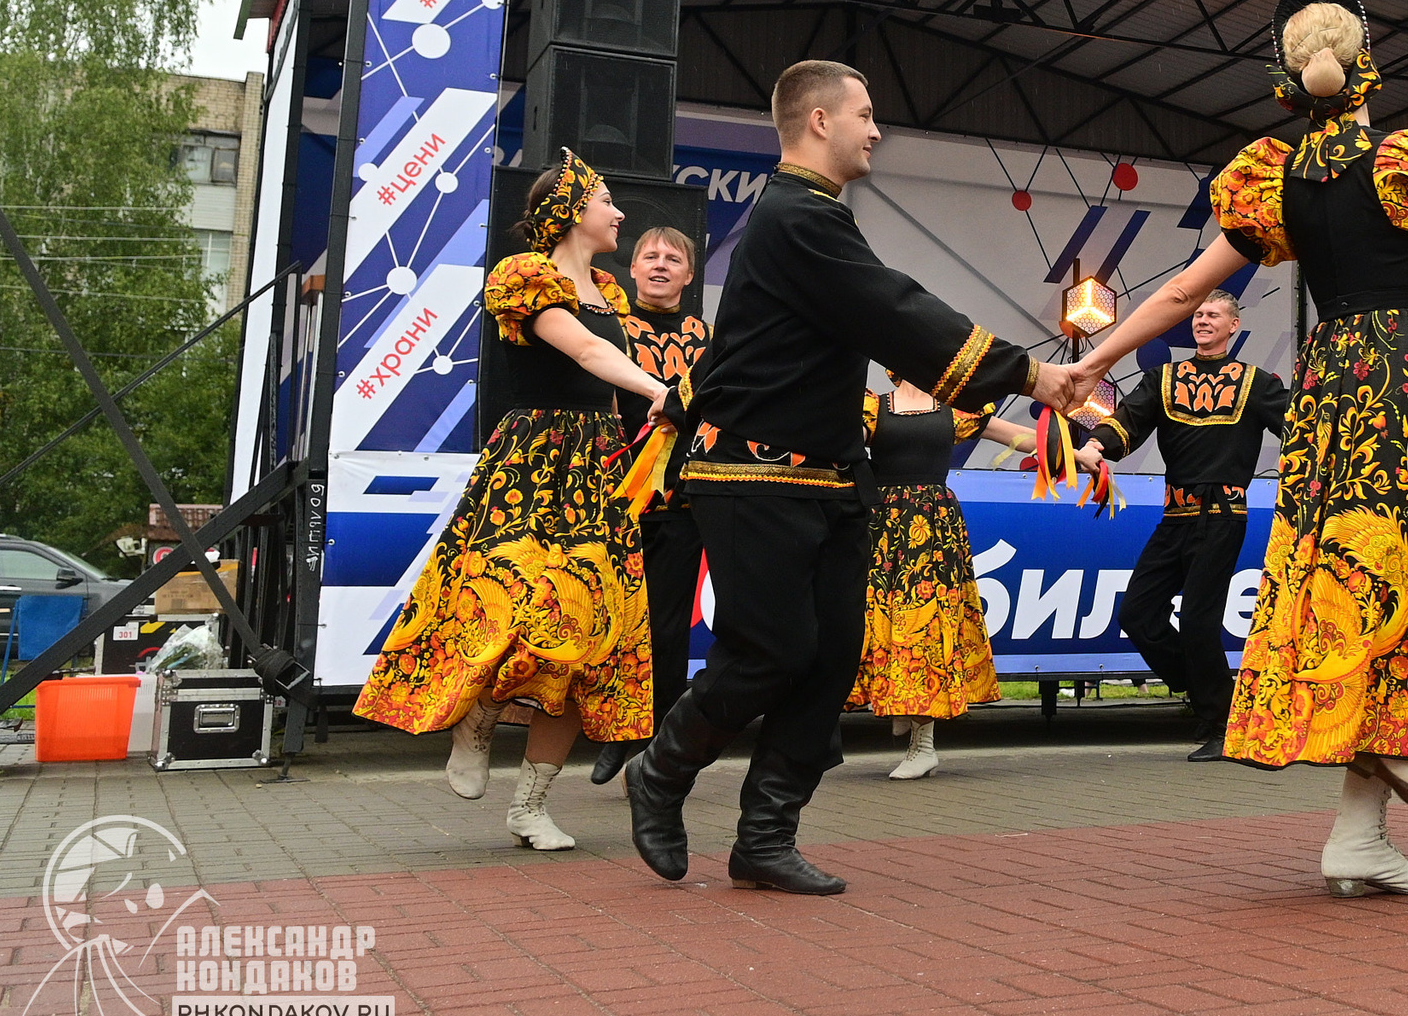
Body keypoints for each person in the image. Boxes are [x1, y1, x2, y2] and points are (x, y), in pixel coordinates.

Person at [1072, 0, 1408, 898]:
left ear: (1290, 78)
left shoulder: (1276, 178)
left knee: (1356, 575)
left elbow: (1177, 294)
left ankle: (1367, 815)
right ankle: (1402, 753)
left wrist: (1093, 360)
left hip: (1333, 387)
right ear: (1367, 69)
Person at [623, 61, 1091, 897]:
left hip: (834, 482)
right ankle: (661, 768)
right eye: (866, 115)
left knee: (835, 655)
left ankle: (764, 836)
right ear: (816, 123)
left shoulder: (815, 221)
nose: (876, 130)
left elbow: (881, 321)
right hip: (753, 477)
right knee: (772, 650)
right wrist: (1031, 373)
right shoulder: (797, 217)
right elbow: (896, 308)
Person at [355, 151, 672, 850]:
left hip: (598, 465)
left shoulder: (612, 293)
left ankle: (530, 804)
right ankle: (478, 718)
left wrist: (669, 410)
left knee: (588, 638)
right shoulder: (521, 276)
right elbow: (587, 353)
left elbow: (620, 369)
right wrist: (658, 389)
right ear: (570, 211)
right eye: (608, 200)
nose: (619, 213)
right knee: (519, 603)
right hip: (533, 462)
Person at [1074, 289, 1289, 761]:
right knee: (1137, 614)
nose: (1203, 320)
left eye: (1213, 315)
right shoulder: (1163, 378)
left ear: (1233, 326)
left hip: (1223, 515)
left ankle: (1219, 721)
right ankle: (1214, 698)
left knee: (1197, 621)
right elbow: (1126, 421)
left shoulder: (1255, 382)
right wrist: (1095, 446)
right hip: (1175, 515)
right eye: (1197, 314)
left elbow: (1302, 426)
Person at [852, 373, 1033, 778]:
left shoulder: (957, 409)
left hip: (934, 525)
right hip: (884, 526)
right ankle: (902, 704)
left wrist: (1072, 449)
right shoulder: (873, 406)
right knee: (883, 620)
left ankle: (925, 744)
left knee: (928, 625)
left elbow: (1019, 436)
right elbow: (840, 442)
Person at [591, 225, 710, 787]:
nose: (660, 265)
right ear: (631, 269)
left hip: (682, 502)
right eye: (649, 256)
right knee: (613, 622)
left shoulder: (710, 339)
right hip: (612, 497)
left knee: (667, 631)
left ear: (689, 274)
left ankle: (653, 748)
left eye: (673, 258)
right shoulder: (607, 329)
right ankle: (616, 732)